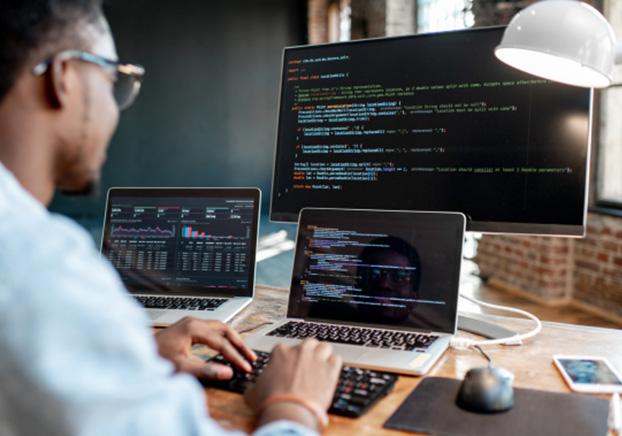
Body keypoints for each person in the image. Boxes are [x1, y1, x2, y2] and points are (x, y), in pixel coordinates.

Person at [0, 1, 341, 435]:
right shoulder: (41, 268)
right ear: (63, 77)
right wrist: (294, 406)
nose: (115, 110)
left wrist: (133, 351)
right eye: (113, 80)